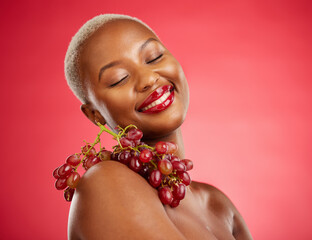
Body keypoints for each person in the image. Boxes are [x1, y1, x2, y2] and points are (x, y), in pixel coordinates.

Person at [65, 14, 253, 240]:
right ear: (95, 115)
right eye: (119, 79)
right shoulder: (105, 184)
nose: (148, 79)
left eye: (154, 57)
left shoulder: (219, 206)